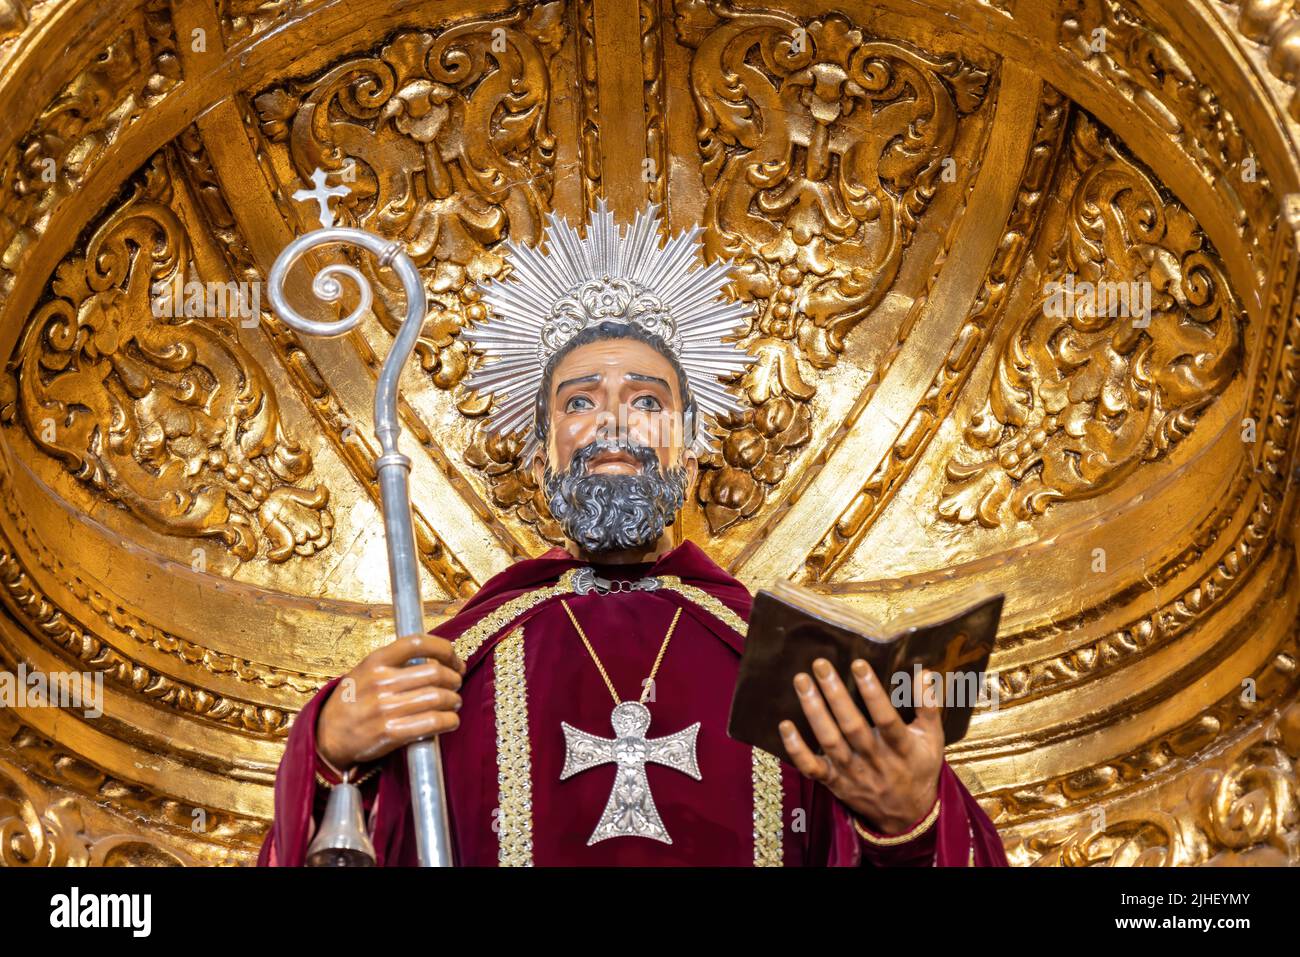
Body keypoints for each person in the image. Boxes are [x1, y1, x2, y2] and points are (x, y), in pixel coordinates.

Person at [258, 201, 1007, 866]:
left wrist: (910, 819)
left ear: (689, 442)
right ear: (542, 447)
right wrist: (330, 757)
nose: (612, 422)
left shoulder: (785, 664)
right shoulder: (462, 663)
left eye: (646, 399)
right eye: (579, 400)